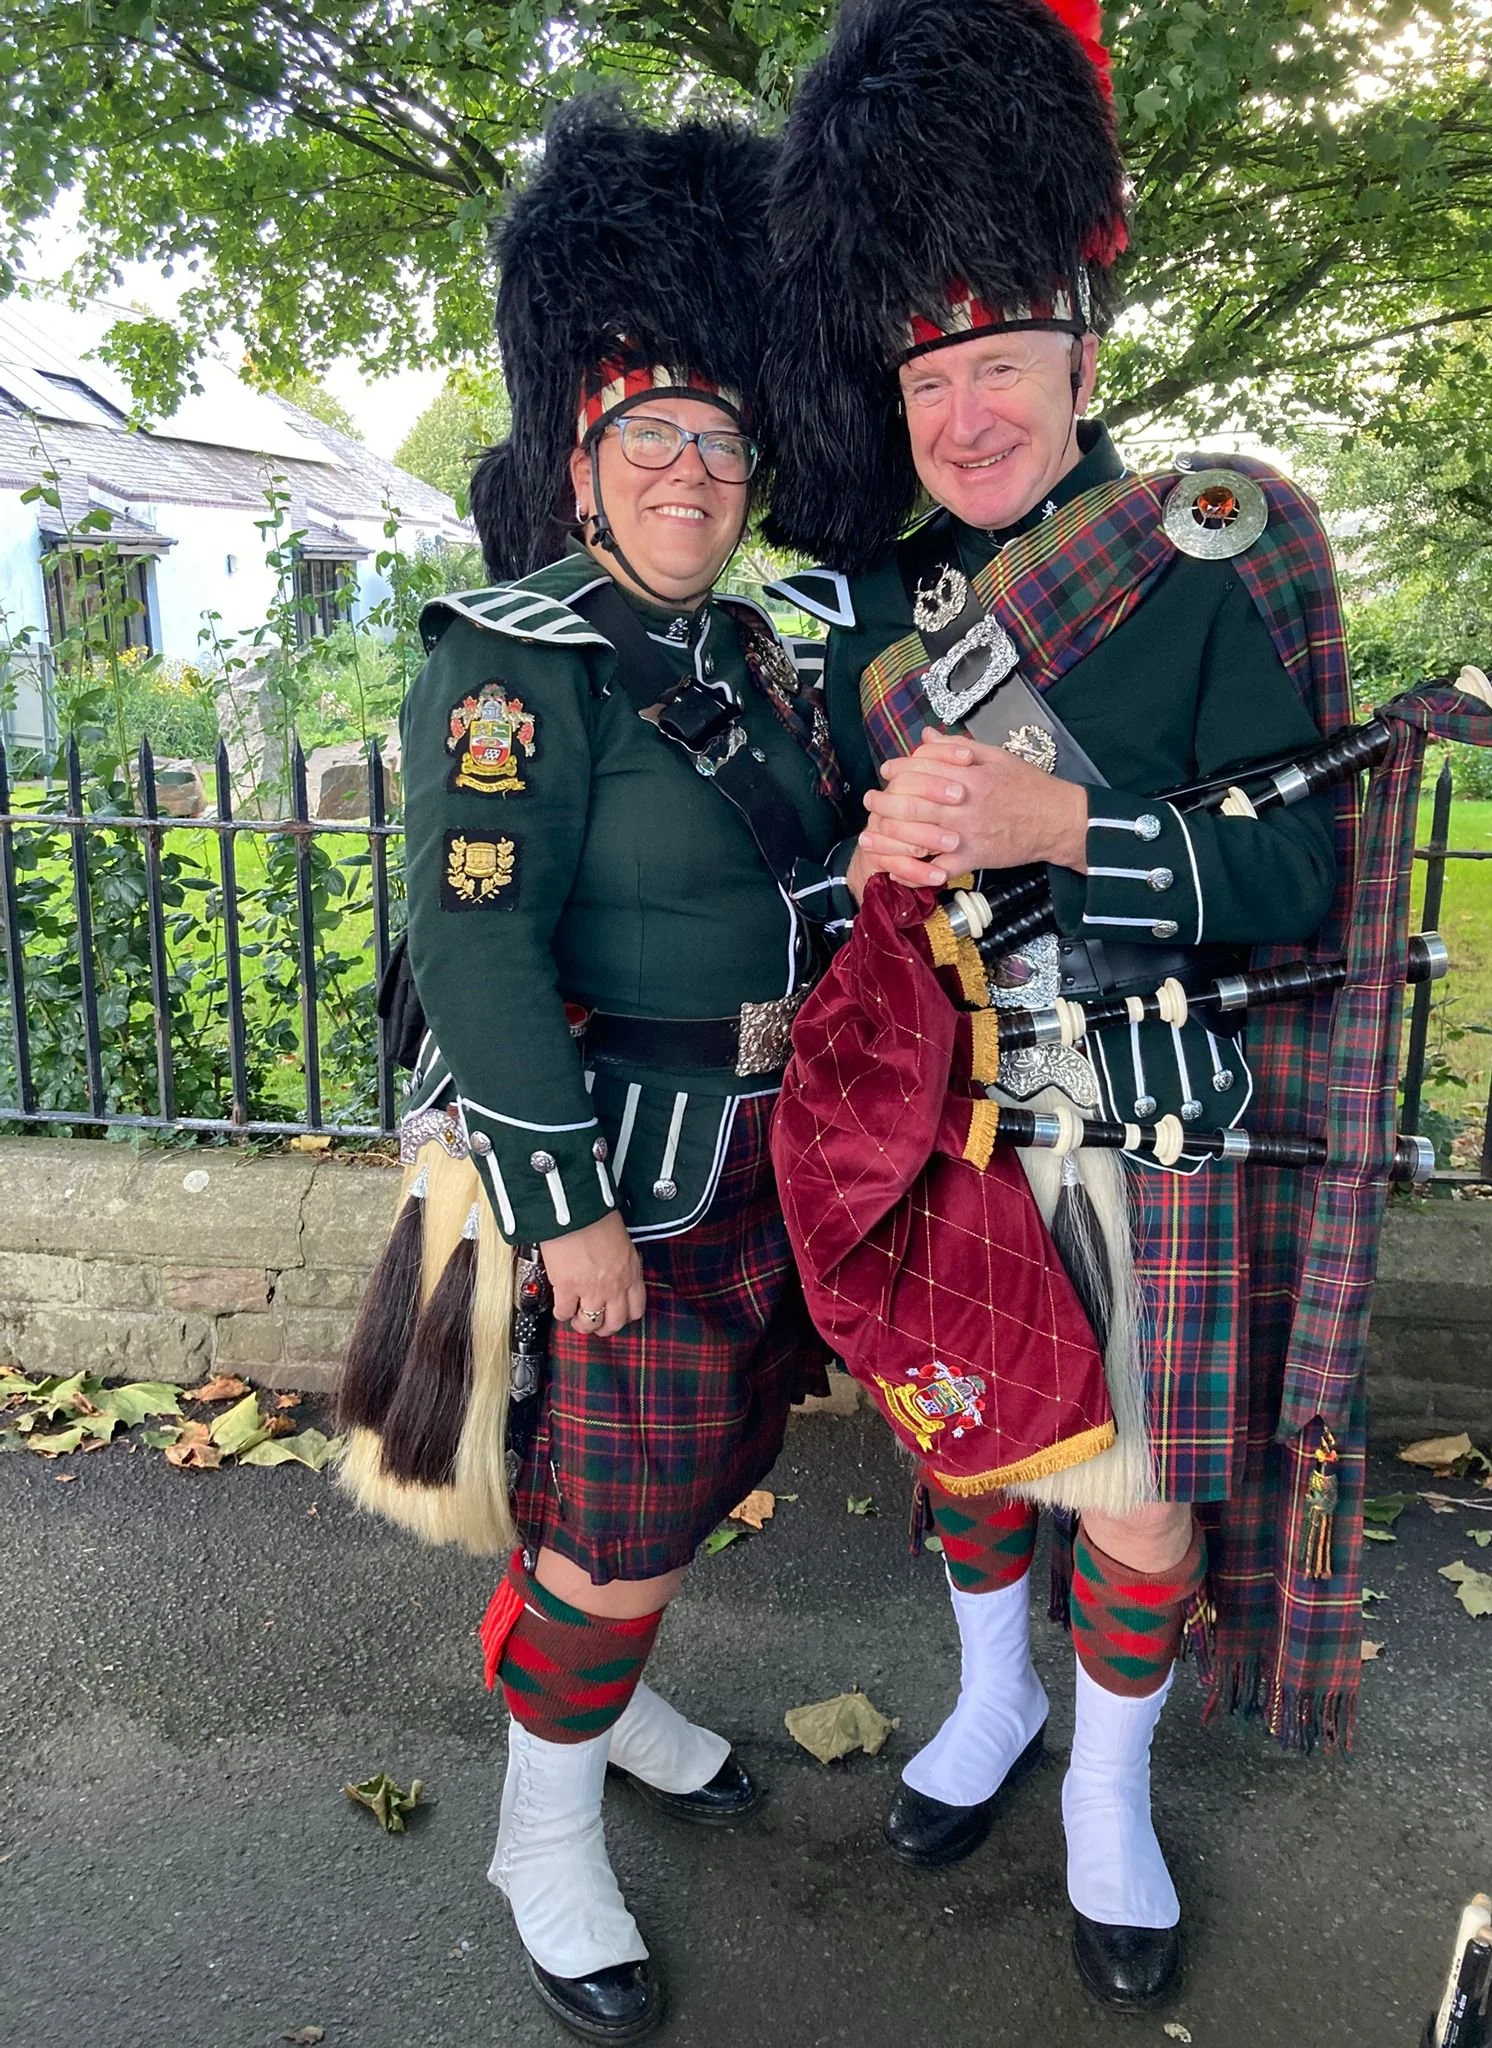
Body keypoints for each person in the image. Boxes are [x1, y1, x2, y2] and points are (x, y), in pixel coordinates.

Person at [762, 0, 1362, 2012]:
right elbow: (843, 870)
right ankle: (990, 1696)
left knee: (1144, 1487)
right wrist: (875, 858)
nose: (964, 414)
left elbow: (1299, 872)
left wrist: (1065, 824)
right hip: (953, 1099)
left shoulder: (1203, 551)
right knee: (964, 1440)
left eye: (999, 365)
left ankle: (1109, 1794)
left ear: (1082, 358)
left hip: (1155, 1101)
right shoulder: (878, 606)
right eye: (929, 379)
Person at [335, 94, 859, 2043]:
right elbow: (475, 947)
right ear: (579, 457)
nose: (692, 472)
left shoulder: (758, 656)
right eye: (653, 438)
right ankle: (541, 1836)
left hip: (769, 1156)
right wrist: (567, 1215)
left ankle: (609, 1702)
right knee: (613, 1519)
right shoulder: (511, 661)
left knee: (698, 1476)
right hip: (622, 1165)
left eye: (721, 441)